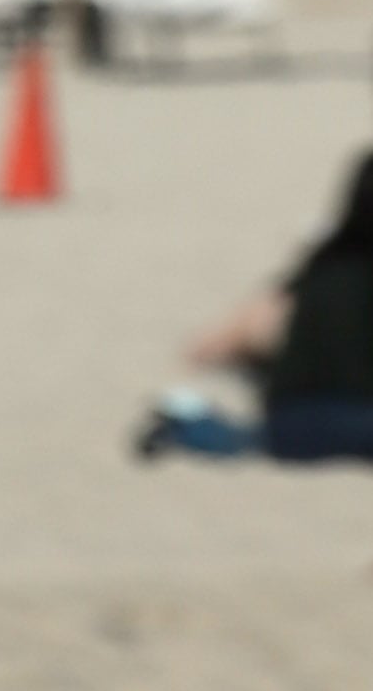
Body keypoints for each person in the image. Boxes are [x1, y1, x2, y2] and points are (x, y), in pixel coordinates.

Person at [138, 153, 373, 462]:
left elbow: (210, 347)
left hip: (298, 424)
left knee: (243, 433)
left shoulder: (324, 267)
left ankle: (186, 422)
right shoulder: (333, 270)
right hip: (347, 420)